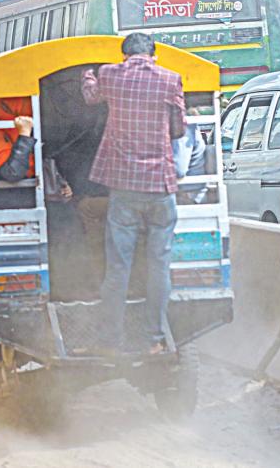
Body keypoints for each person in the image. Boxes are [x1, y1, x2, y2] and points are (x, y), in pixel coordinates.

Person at [82, 33, 186, 355]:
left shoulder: (110, 74)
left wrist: (87, 74)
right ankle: (154, 339)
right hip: (161, 186)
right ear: (153, 55)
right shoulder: (170, 79)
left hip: (124, 188)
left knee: (118, 267)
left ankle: (110, 342)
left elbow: (90, 96)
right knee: (159, 266)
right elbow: (179, 129)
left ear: (124, 55)